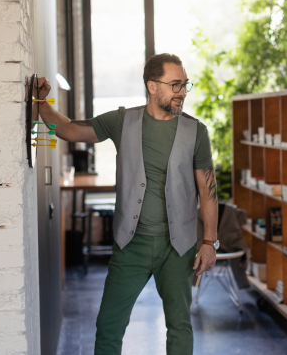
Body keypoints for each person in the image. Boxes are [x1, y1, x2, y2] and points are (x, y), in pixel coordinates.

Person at [35, 53, 219, 355]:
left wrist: (210, 241)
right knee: (109, 326)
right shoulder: (122, 121)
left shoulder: (196, 131)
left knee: (180, 326)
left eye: (185, 85)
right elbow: (68, 129)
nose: (182, 92)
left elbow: (207, 189)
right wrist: (42, 104)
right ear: (152, 86)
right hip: (131, 245)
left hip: (179, 247)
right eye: (175, 85)